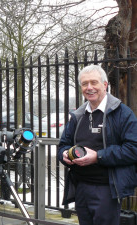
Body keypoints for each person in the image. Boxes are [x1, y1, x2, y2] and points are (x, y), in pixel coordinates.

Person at [58, 64, 137, 225]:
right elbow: (63, 144)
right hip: (80, 186)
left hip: (107, 189)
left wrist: (98, 157)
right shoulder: (78, 116)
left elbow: (133, 149)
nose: (89, 88)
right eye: (85, 84)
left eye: (94, 82)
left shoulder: (123, 113)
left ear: (105, 85)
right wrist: (64, 154)